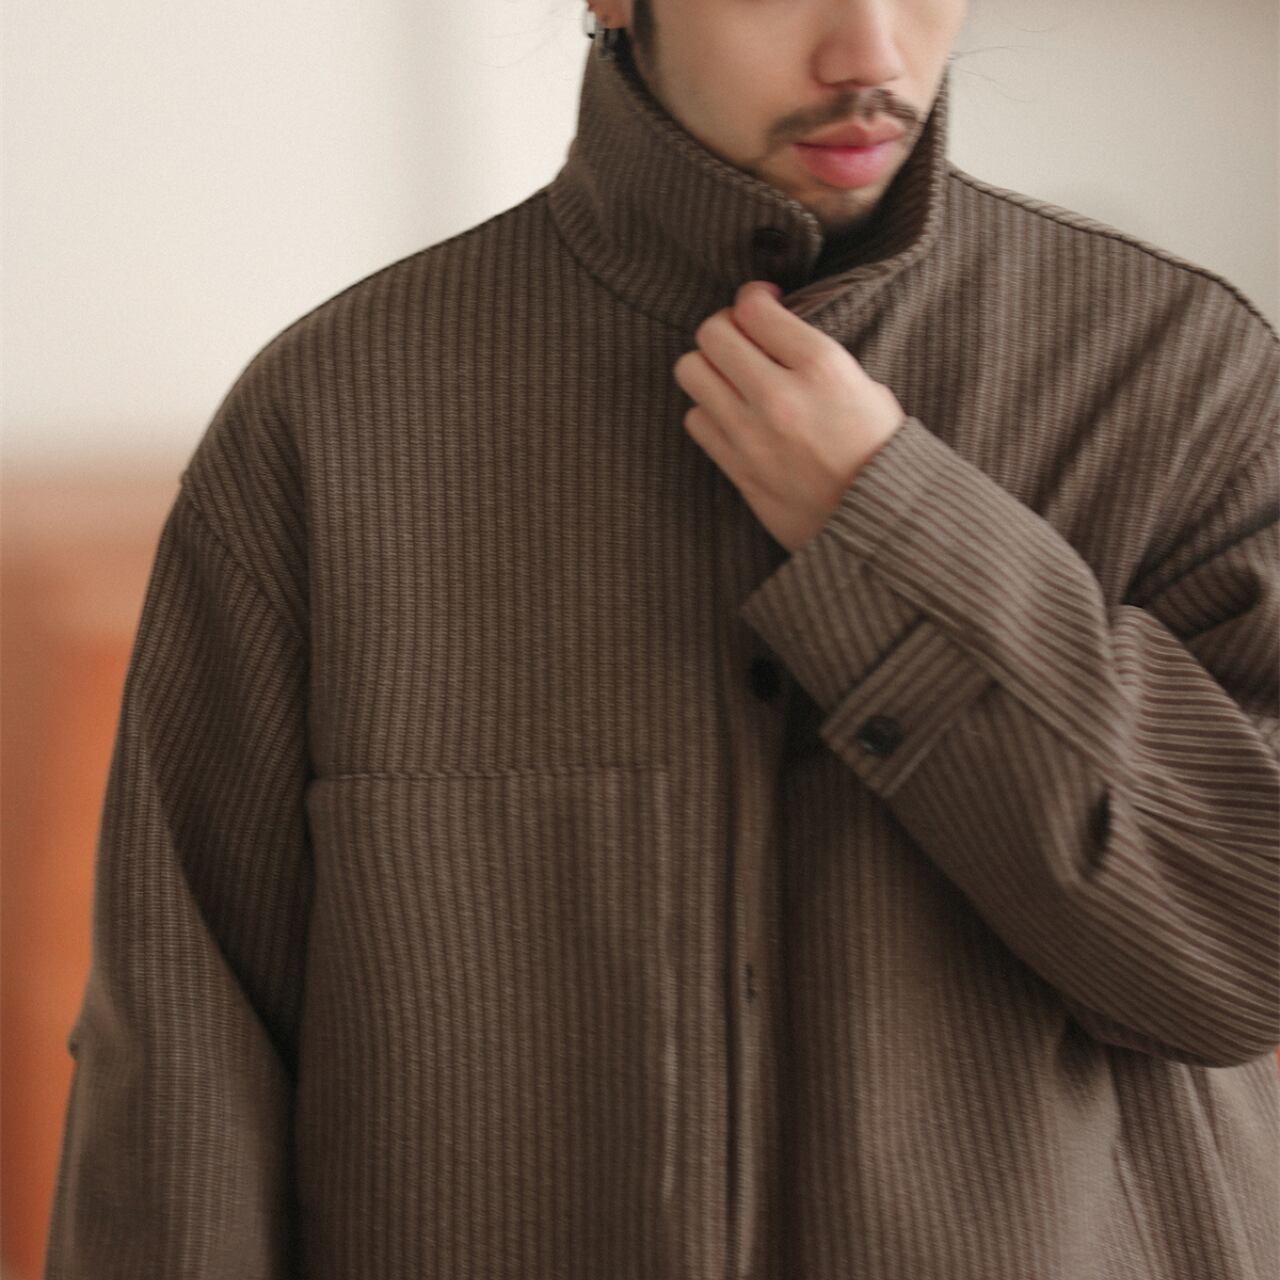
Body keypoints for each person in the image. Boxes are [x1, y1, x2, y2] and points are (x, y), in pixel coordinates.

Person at [44, 1, 1279, 1277]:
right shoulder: (331, 422)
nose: (870, 54)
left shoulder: (1180, 382)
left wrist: (891, 531)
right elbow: (182, 1064)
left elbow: (1240, 960)